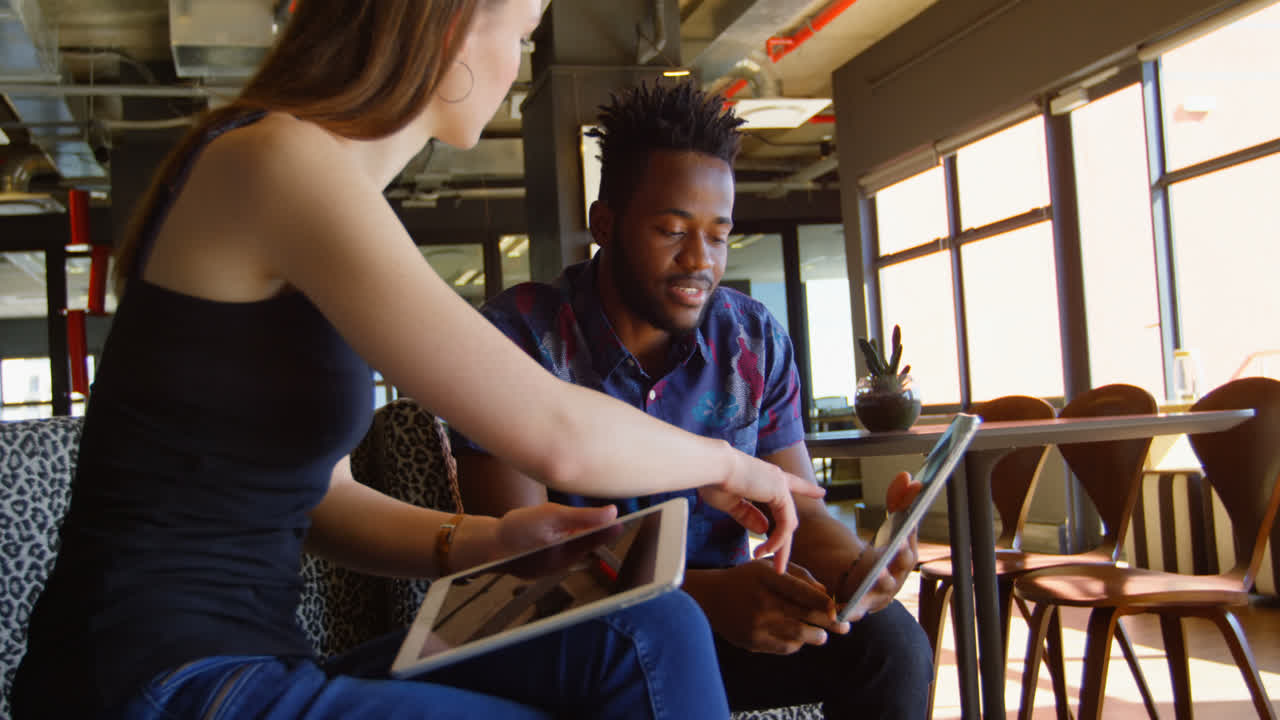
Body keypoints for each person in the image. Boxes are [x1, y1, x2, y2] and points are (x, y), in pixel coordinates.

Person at [10, 2, 826, 718]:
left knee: (654, 624)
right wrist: (734, 465)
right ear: (451, 23)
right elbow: (555, 431)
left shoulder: (310, 182)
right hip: (155, 681)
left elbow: (320, 501)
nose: (518, 66)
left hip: (255, 661)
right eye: (524, 32)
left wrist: (493, 540)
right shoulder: (278, 162)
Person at [454, 82, 934, 719]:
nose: (699, 261)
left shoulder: (752, 337)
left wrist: (859, 572)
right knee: (658, 639)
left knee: (892, 644)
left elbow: (801, 511)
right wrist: (702, 598)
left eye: (718, 234)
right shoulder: (520, 335)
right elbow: (525, 565)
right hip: (583, 637)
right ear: (604, 224)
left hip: (729, 621)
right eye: (672, 231)